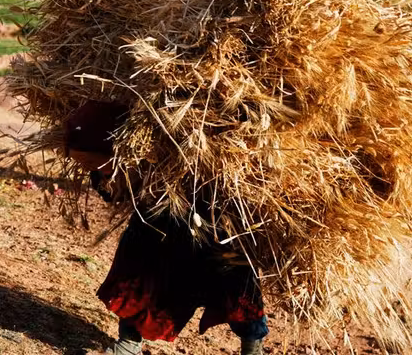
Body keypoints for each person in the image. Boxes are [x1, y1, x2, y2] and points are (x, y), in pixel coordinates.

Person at [64, 101, 269, 355]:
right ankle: (129, 342)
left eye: (96, 164)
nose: (92, 170)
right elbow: (115, 191)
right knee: (136, 279)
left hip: (214, 220)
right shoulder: (135, 150)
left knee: (235, 284)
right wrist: (108, 179)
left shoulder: (185, 142)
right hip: (155, 226)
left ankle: (252, 346)